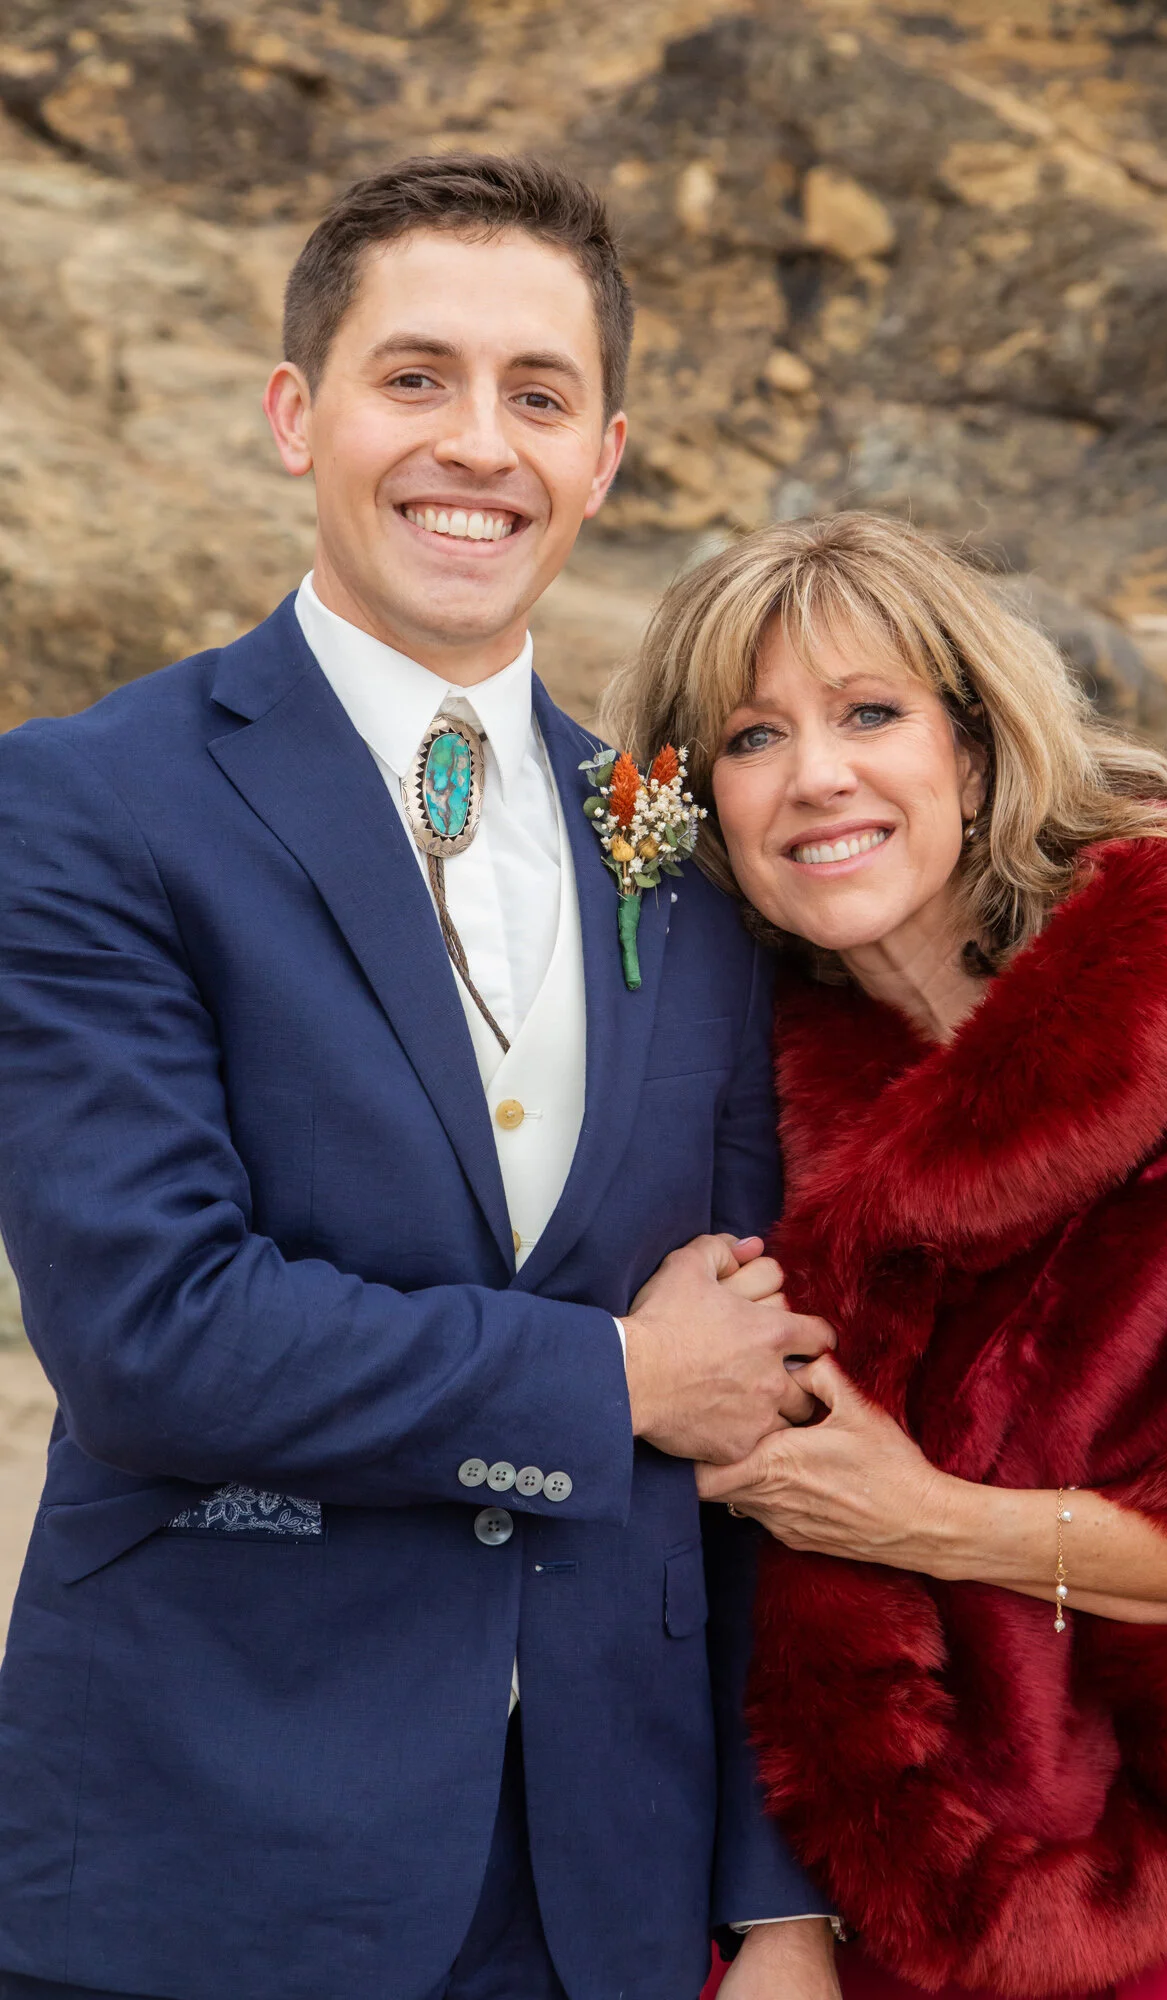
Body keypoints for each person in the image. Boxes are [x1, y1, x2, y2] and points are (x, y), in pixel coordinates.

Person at [0, 155, 844, 2000]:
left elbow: (761, 1392)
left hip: (604, 1895)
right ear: (298, 414)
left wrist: (780, 1898)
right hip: (208, 1861)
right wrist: (617, 1378)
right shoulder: (85, 806)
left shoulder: (677, 854)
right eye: (416, 378)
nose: (480, 444)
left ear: (605, 455)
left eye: (537, 396)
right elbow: (155, 1329)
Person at [599, 511, 1167, 2000]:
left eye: (872, 714)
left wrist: (930, 1522)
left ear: (976, 753)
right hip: (871, 1855)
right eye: (752, 739)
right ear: (696, 808)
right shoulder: (720, 1093)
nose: (819, 776)